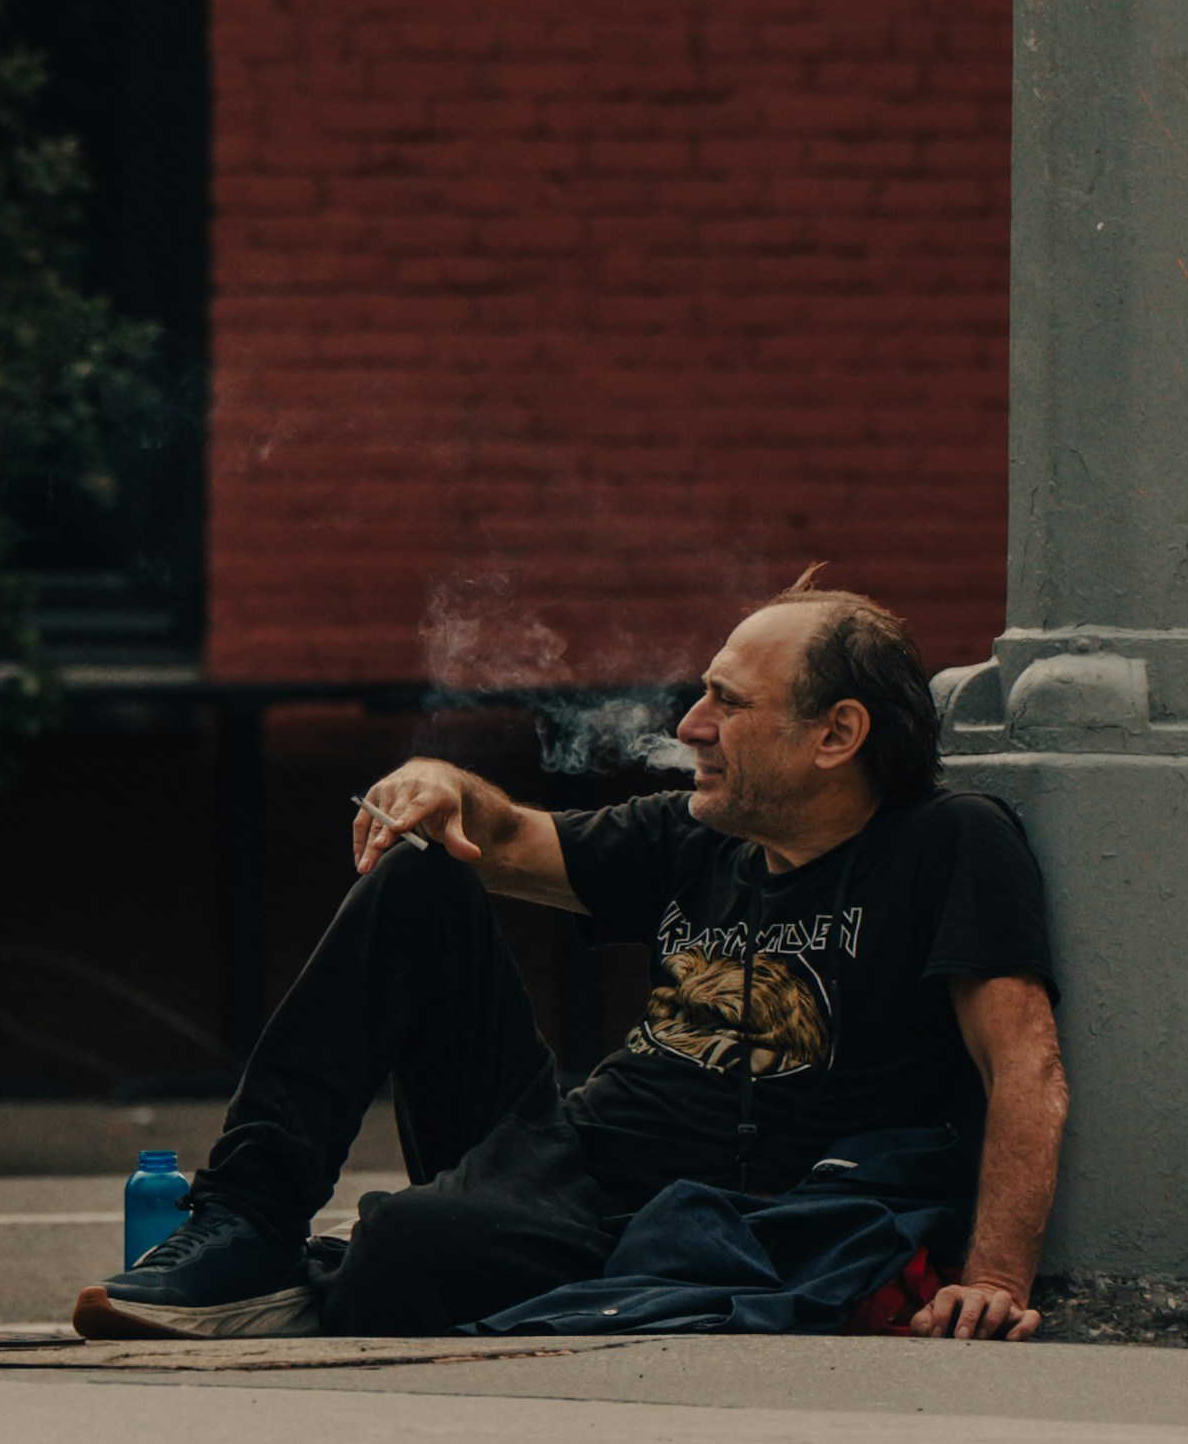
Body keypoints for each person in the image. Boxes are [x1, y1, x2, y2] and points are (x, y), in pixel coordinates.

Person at [73, 576, 1066, 1346]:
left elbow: (1023, 1068)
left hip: (699, 1212)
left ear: (835, 735)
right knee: (424, 867)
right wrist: (433, 782)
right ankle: (248, 1221)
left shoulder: (946, 843)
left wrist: (995, 1278)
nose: (689, 727)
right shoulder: (691, 836)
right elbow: (499, 837)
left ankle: (341, 1273)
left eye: (728, 703)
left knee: (403, 1252)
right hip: (568, 1155)